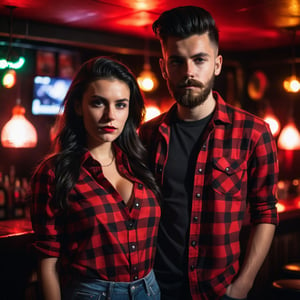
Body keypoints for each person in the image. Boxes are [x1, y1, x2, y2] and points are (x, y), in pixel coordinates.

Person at [139, 6, 279, 300]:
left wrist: (242, 286)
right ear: (164, 68)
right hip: (154, 290)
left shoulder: (254, 132)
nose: (188, 72)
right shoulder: (147, 134)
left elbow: (265, 213)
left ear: (216, 64)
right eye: (176, 61)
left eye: (199, 60)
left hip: (219, 292)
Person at [29, 56, 161, 300]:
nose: (110, 115)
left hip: (149, 290)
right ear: (79, 106)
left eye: (120, 105)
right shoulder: (54, 173)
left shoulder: (141, 163)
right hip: (92, 294)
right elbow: (47, 263)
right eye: (98, 103)